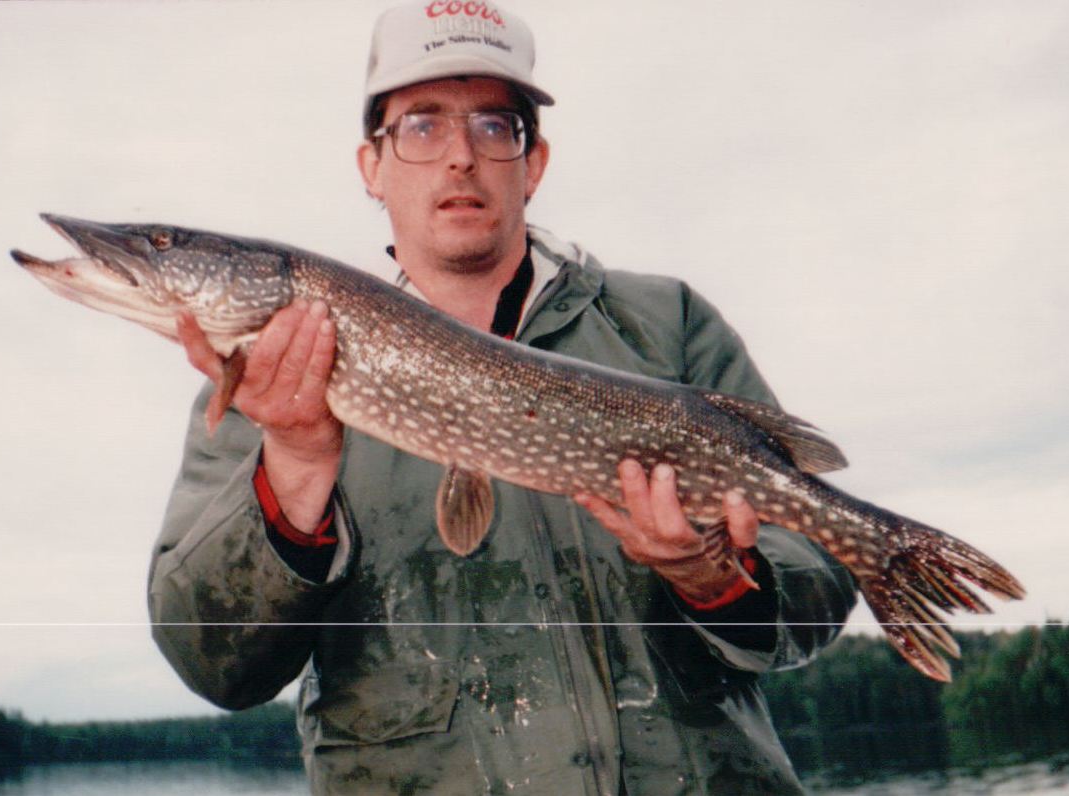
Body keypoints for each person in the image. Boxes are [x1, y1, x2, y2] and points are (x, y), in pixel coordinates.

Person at [148, 2, 857, 793]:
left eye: (494, 126)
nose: (460, 157)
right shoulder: (266, 386)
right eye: (422, 125)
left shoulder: (668, 325)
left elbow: (820, 569)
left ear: (534, 162)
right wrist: (294, 463)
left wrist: (716, 580)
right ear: (372, 166)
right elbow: (212, 662)